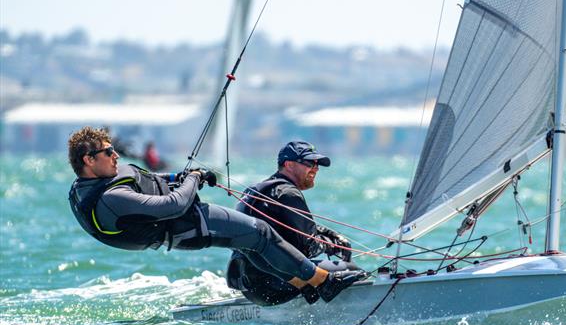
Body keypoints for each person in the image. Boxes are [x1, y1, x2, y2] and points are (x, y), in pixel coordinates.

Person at [67, 126, 364, 303]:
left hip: (189, 220)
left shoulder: (106, 178)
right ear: (89, 161)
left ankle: (305, 284)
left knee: (253, 240)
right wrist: (192, 179)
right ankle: (322, 280)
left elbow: (155, 179)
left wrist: (182, 174)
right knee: (259, 233)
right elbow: (173, 205)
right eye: (108, 152)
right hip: (189, 226)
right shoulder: (111, 200)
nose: (116, 154)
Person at [226, 141, 361, 305]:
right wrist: (332, 245)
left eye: (317, 164)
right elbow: (309, 247)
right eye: (310, 163)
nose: (316, 168)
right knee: (352, 270)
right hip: (275, 286)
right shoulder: (288, 193)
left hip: (249, 288)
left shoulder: (257, 190)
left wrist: (330, 234)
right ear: (289, 164)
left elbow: (281, 228)